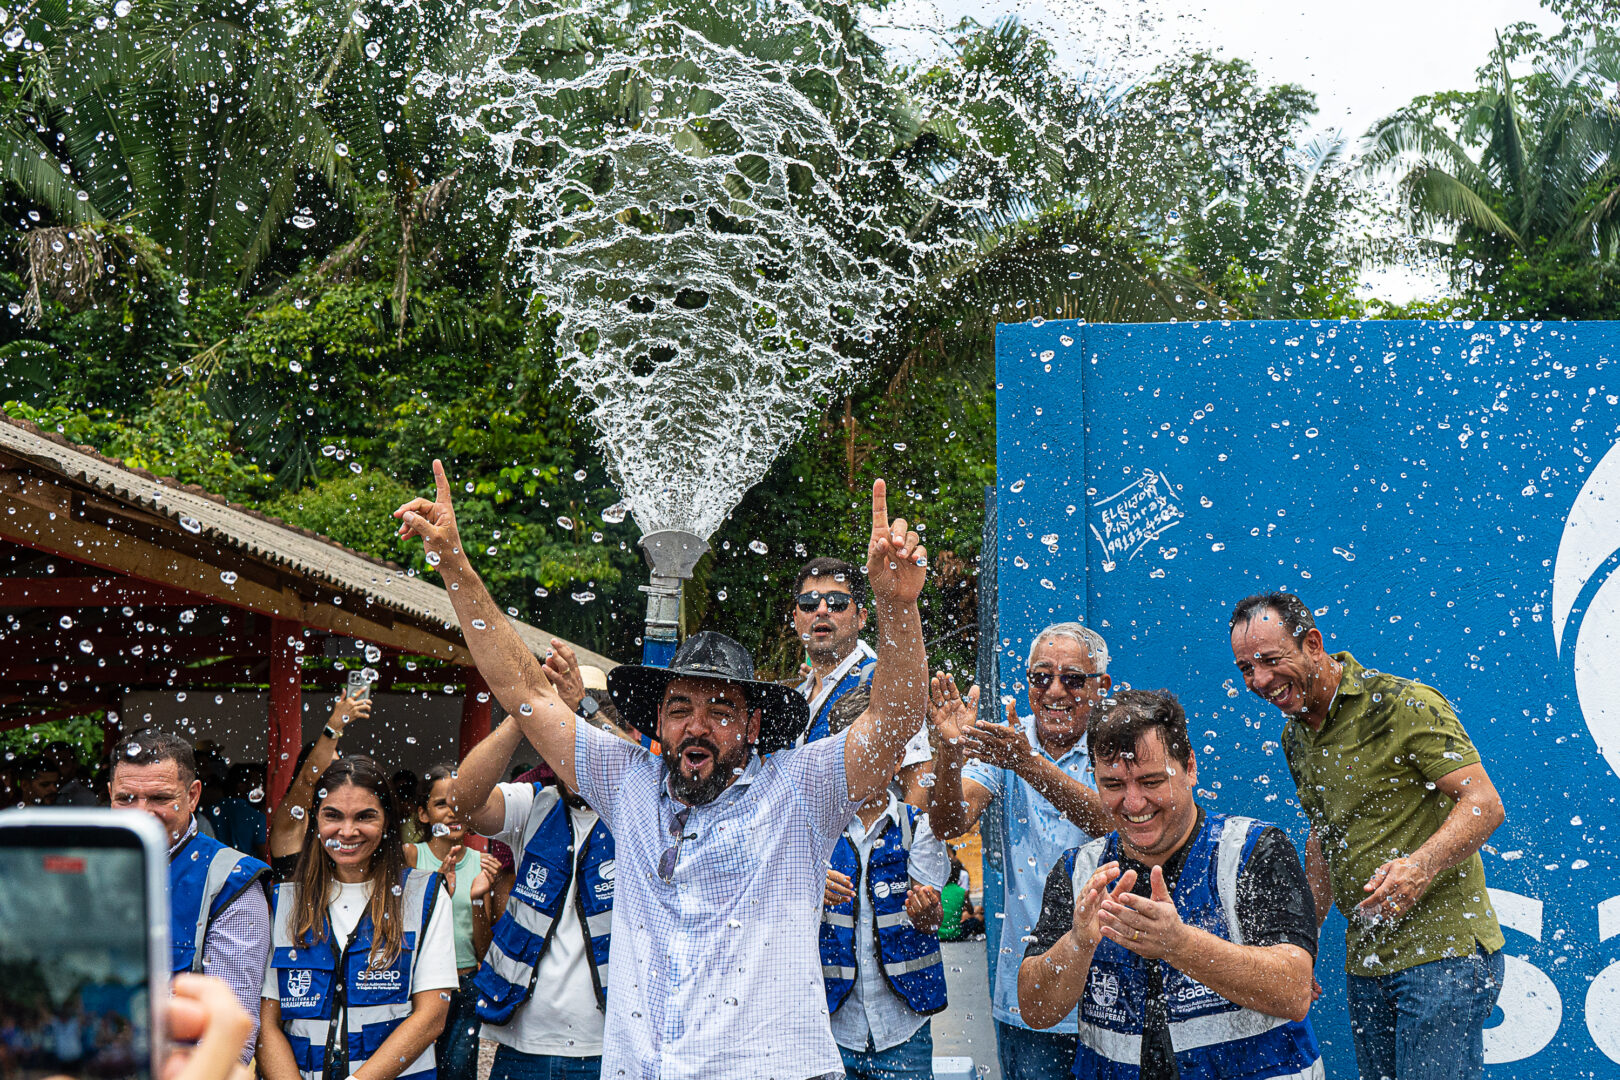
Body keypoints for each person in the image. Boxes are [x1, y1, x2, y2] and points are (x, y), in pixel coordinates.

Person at [396, 463, 929, 1079]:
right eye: (680, 709)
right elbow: (526, 691)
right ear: (657, 722)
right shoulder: (629, 781)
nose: (696, 726)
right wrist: (454, 564)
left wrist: (897, 609)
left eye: (721, 711)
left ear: (754, 725)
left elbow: (894, 719)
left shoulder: (801, 788)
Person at [1228, 593, 1507, 1080]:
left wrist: (1420, 866)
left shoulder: (1402, 704)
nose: (1261, 680)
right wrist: (1301, 948)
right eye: (1247, 669)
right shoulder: (1295, 736)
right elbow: (1323, 839)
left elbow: (1484, 803)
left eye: (1271, 660)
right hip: (1367, 962)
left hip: (1443, 955)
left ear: (1313, 644)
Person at [1017, 689, 1322, 1080]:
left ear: (1190, 767)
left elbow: (1294, 991)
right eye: (1113, 785)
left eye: (1151, 781)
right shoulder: (1078, 871)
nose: (1133, 803)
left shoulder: (1254, 851)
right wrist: (1077, 944)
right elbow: (1036, 1011)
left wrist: (1180, 945)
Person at [925, 623, 1114, 1080]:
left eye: (1072, 679)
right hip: (1030, 992)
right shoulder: (1008, 740)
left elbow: (1114, 823)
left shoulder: (1119, 739)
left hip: (1114, 990)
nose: (1055, 691)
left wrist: (1028, 765)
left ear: (1101, 685)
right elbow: (949, 823)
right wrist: (949, 753)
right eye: (1040, 677)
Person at [258, 756, 457, 1080]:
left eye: (365, 816)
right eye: (333, 815)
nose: (347, 831)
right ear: (315, 820)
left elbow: (432, 1016)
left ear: (388, 820)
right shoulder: (286, 902)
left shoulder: (425, 895)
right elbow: (267, 1024)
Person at [451, 712, 617, 1080]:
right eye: (565, 746)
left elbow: (657, 782)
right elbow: (462, 801)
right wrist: (521, 714)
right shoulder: (535, 802)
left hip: (610, 1046)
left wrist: (587, 709)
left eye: (588, 748)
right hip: (522, 1046)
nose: (574, 760)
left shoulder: (640, 816)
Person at [109, 729, 270, 1063]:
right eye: (126, 798)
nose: (141, 813)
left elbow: (231, 1038)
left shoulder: (230, 879)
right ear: (110, 793)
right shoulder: (85, 869)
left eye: (159, 798)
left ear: (193, 795)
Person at [818, 688, 950, 1080]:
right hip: (830, 1028)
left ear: (896, 759)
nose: (863, 763)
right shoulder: (813, 829)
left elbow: (931, 921)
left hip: (904, 1028)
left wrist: (927, 913)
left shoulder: (917, 828)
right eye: (852, 751)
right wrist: (808, 889)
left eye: (876, 752)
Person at [793, 557, 933, 805]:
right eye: (809, 603)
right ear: (795, 618)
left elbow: (918, 787)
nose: (822, 610)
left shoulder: (883, 686)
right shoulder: (796, 698)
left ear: (861, 617)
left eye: (837, 602)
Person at [406, 765, 495, 1080]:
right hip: (417, 987)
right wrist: (436, 888)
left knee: (457, 1073)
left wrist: (476, 899)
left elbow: (482, 951)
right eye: (441, 804)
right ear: (423, 814)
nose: (452, 811)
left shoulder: (482, 864)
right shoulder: (411, 856)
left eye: (460, 803)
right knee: (413, 1069)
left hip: (464, 985)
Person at [268, 692, 374, 881]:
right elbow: (309, 779)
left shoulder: (344, 824)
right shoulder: (293, 818)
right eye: (329, 766)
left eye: (338, 767)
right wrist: (334, 725)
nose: (333, 773)